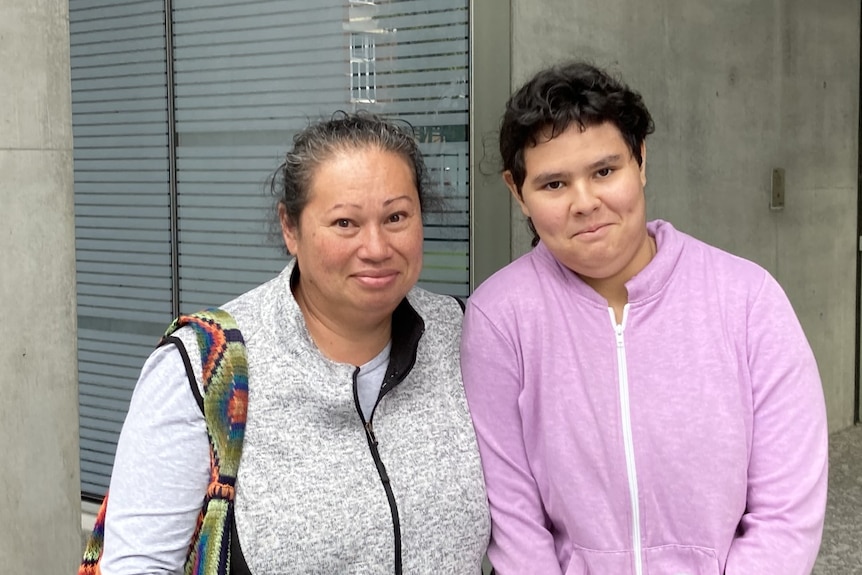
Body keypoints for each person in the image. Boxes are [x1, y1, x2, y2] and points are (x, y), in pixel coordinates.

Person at [460, 61, 827, 575]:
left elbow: (787, 512)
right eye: (554, 184)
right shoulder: (499, 318)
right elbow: (513, 517)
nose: (585, 203)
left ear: (641, 162)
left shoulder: (747, 299)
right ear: (517, 192)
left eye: (605, 171)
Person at [97, 112, 490, 574]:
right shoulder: (208, 364)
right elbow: (137, 565)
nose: (377, 247)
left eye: (396, 216)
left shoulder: (465, 335)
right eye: (345, 223)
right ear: (290, 227)